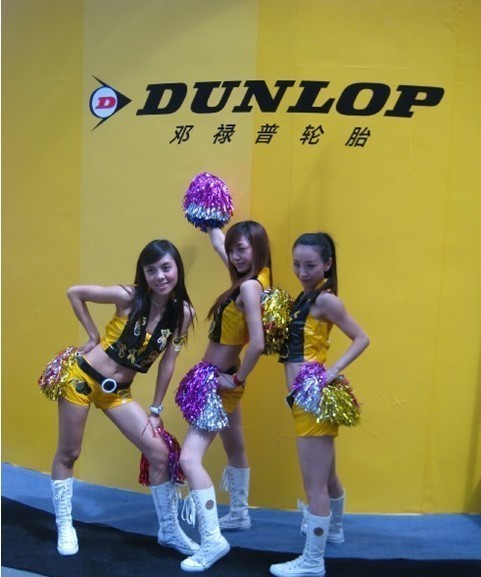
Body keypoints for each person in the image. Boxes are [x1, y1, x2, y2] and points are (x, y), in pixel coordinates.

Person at [46, 240, 199, 558]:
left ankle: (169, 530)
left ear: (178, 269)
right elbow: (75, 293)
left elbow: (168, 362)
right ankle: (65, 524)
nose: (159, 276)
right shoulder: (130, 296)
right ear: (143, 273)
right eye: (151, 270)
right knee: (69, 452)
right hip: (81, 379)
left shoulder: (182, 314)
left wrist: (155, 409)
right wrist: (92, 335)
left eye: (166, 268)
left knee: (160, 453)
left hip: (118, 394)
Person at [270, 232, 369, 577]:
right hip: (303, 399)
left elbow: (362, 338)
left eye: (310, 265)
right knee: (326, 476)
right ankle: (335, 530)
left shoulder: (326, 300)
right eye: (296, 264)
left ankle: (313, 560)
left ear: (327, 264)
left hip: (312, 398)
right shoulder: (306, 297)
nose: (302, 272)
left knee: (314, 486)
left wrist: (332, 371)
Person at [175, 220, 272, 572]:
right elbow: (220, 246)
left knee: (189, 459)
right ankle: (240, 513)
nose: (234, 256)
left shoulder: (248, 287)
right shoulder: (256, 279)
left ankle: (212, 539)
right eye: (232, 250)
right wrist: (212, 223)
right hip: (219, 378)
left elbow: (258, 343)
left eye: (241, 249)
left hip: (218, 383)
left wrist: (237, 379)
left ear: (258, 248)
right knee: (235, 446)